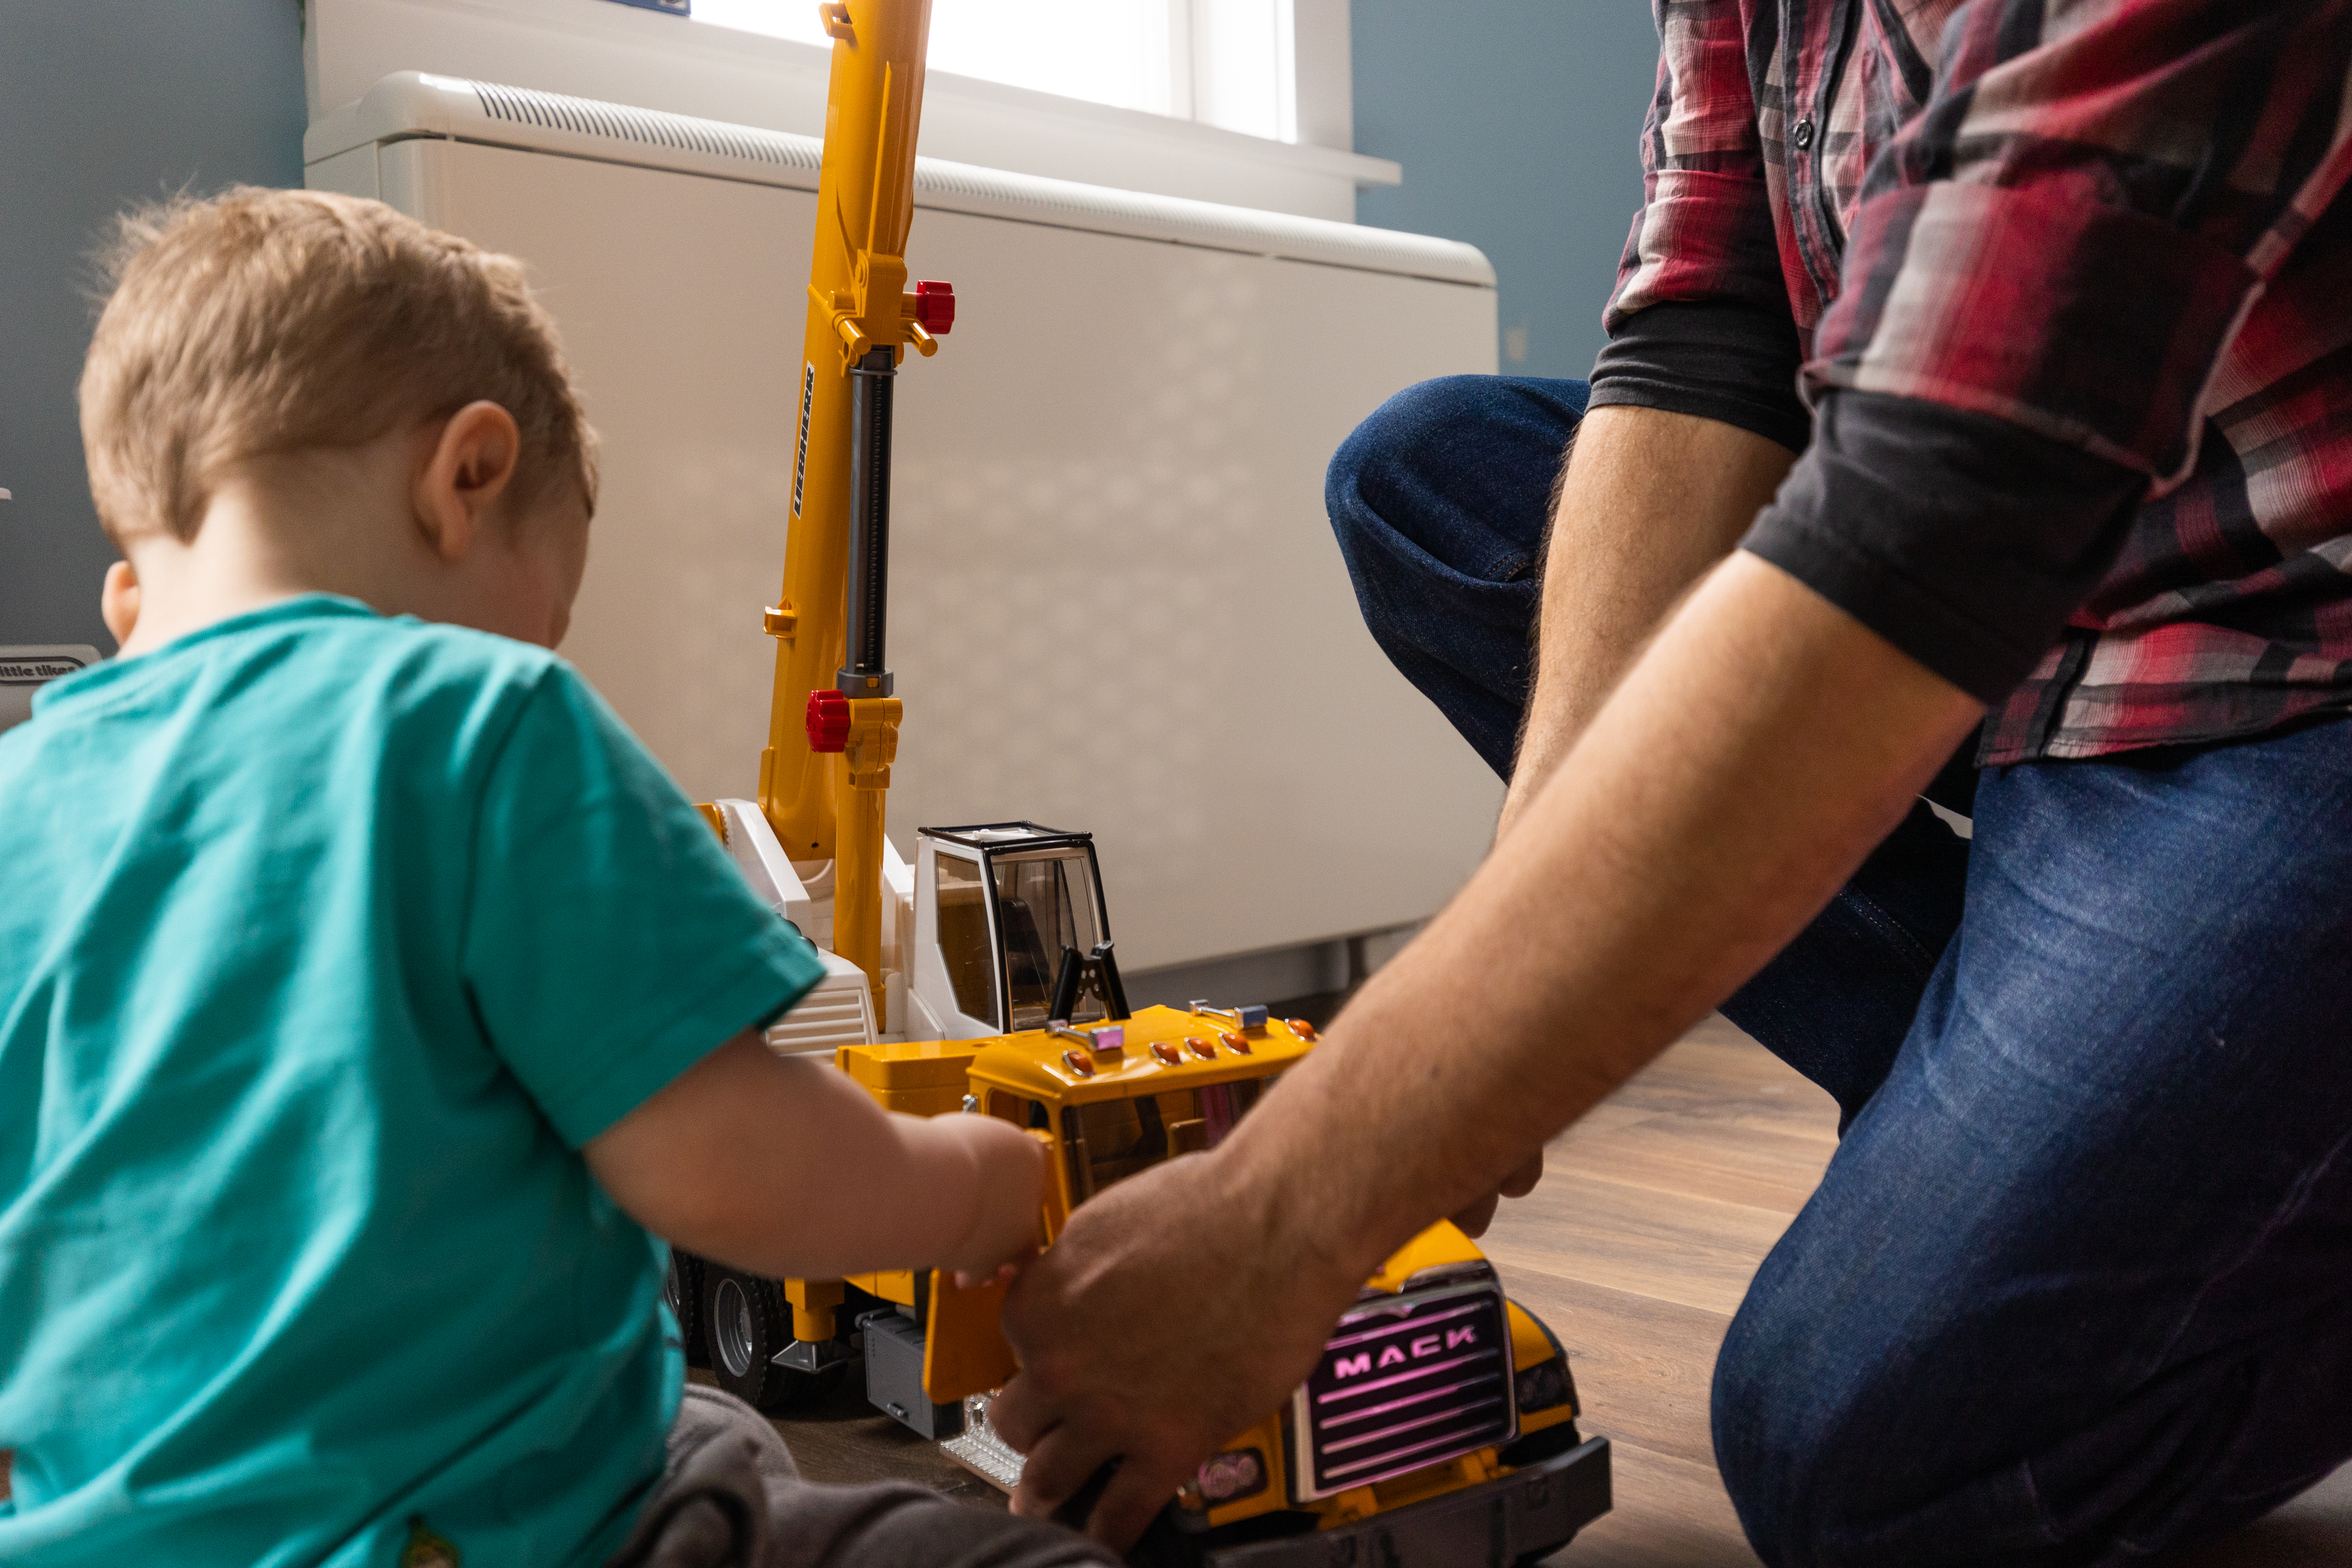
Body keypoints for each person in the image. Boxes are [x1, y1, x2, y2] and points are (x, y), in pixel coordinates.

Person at [988, 4, 2352, 1565]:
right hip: (2048, 646)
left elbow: (1930, 524)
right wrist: (1500, 974)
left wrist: (1293, 1215)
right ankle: (2061, 1131)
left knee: (1856, 1459)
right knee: (1428, 477)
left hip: (2289, 678)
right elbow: (1708, 319)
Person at [0, 187, 1113, 1568]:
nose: (546, 650)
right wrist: (970, 1186)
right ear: (468, 477)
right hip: (510, 1530)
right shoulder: (478, 720)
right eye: (554, 610)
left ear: (131, 595)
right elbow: (730, 1163)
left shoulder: (17, 806)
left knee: (713, 1426)